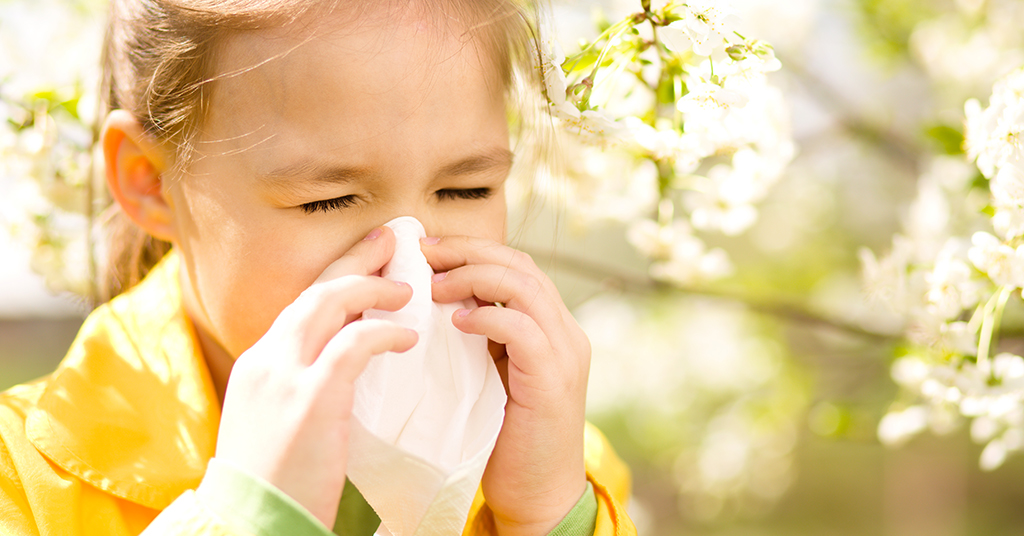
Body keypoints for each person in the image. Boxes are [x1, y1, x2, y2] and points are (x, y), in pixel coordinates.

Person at [0, 0, 635, 535]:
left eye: (466, 189)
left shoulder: (555, 466)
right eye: (326, 200)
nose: (409, 265)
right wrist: (248, 516)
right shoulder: (23, 481)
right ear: (152, 182)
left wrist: (545, 519)